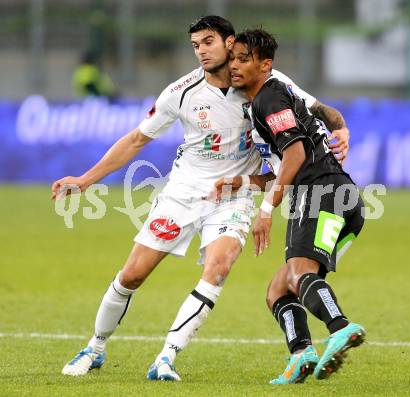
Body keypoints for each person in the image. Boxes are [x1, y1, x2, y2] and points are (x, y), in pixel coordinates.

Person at [53, 16, 350, 381]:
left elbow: (317, 108)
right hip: (184, 191)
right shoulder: (180, 92)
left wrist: (340, 128)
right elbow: (135, 140)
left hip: (234, 195)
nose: (202, 51)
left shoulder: (266, 83)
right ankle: (95, 347)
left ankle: (167, 357)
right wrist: (85, 180)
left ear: (229, 43)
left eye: (208, 42)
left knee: (219, 267)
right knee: (132, 275)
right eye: (195, 45)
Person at [215, 28, 366, 385]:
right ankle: (302, 354)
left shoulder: (269, 98)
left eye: (242, 60)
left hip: (320, 193)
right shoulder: (264, 102)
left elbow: (296, 154)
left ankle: (341, 327)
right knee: (278, 290)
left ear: (265, 65)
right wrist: (243, 183)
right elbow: (287, 163)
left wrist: (266, 210)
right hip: (338, 196)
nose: (233, 66)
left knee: (298, 276)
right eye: (232, 58)